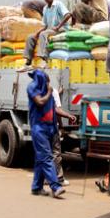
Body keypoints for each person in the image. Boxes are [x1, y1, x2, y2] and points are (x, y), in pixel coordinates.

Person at [27, 70, 75, 198]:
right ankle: (56, 186)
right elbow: (40, 102)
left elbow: (54, 109)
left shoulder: (50, 92)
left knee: (40, 159)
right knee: (47, 157)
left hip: (50, 128)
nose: (48, 83)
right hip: (39, 128)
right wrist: (50, 92)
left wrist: (68, 115)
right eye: (46, 81)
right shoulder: (32, 88)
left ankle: (36, 187)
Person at [23, 0, 70, 66]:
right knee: (30, 37)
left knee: (43, 34)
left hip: (61, 29)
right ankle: (28, 59)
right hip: (50, 30)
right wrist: (36, 33)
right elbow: (45, 25)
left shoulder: (58, 4)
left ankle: (44, 58)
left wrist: (58, 26)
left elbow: (68, 15)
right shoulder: (45, 9)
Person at [50, 85, 76, 187]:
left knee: (46, 154)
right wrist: (61, 126)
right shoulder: (52, 92)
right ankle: (59, 179)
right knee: (56, 153)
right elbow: (57, 111)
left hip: (41, 129)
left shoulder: (37, 93)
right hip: (51, 127)